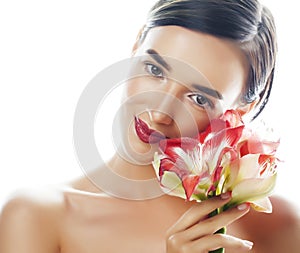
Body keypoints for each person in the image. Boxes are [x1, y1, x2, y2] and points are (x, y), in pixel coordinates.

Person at [0, 0, 299, 252]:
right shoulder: (38, 215)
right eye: (154, 69)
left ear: (242, 110)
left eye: (198, 98)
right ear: (136, 46)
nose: (160, 112)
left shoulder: (274, 226)